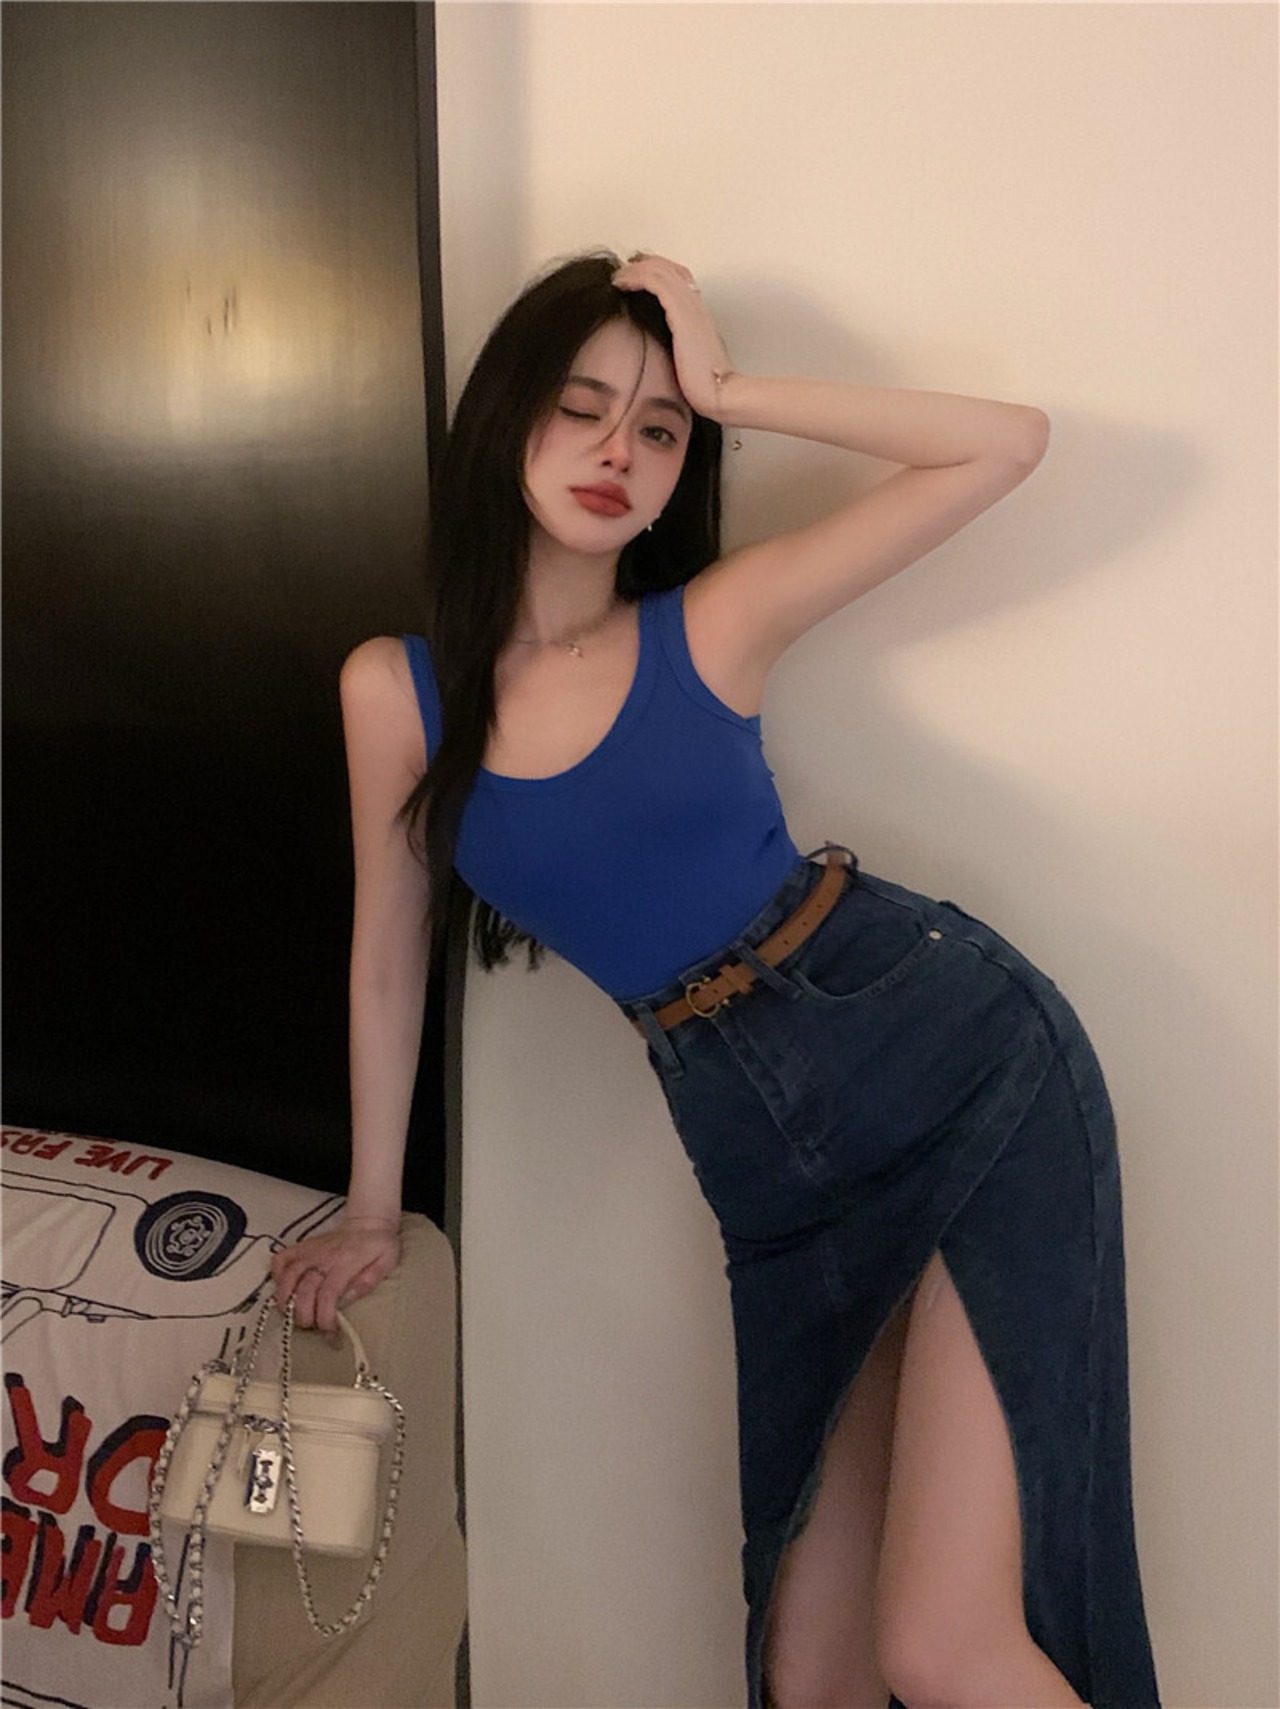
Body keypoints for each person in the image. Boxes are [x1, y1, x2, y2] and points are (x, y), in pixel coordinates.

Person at [271, 251, 1160, 1709]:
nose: (618, 451)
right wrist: (373, 1205)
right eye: (580, 408)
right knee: (810, 1675)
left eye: (661, 426)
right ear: (504, 420)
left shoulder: (710, 623)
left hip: (950, 1060)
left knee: (941, 1644)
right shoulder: (402, 691)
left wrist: (735, 386)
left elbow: (1006, 443)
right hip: (761, 1160)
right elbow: (385, 957)